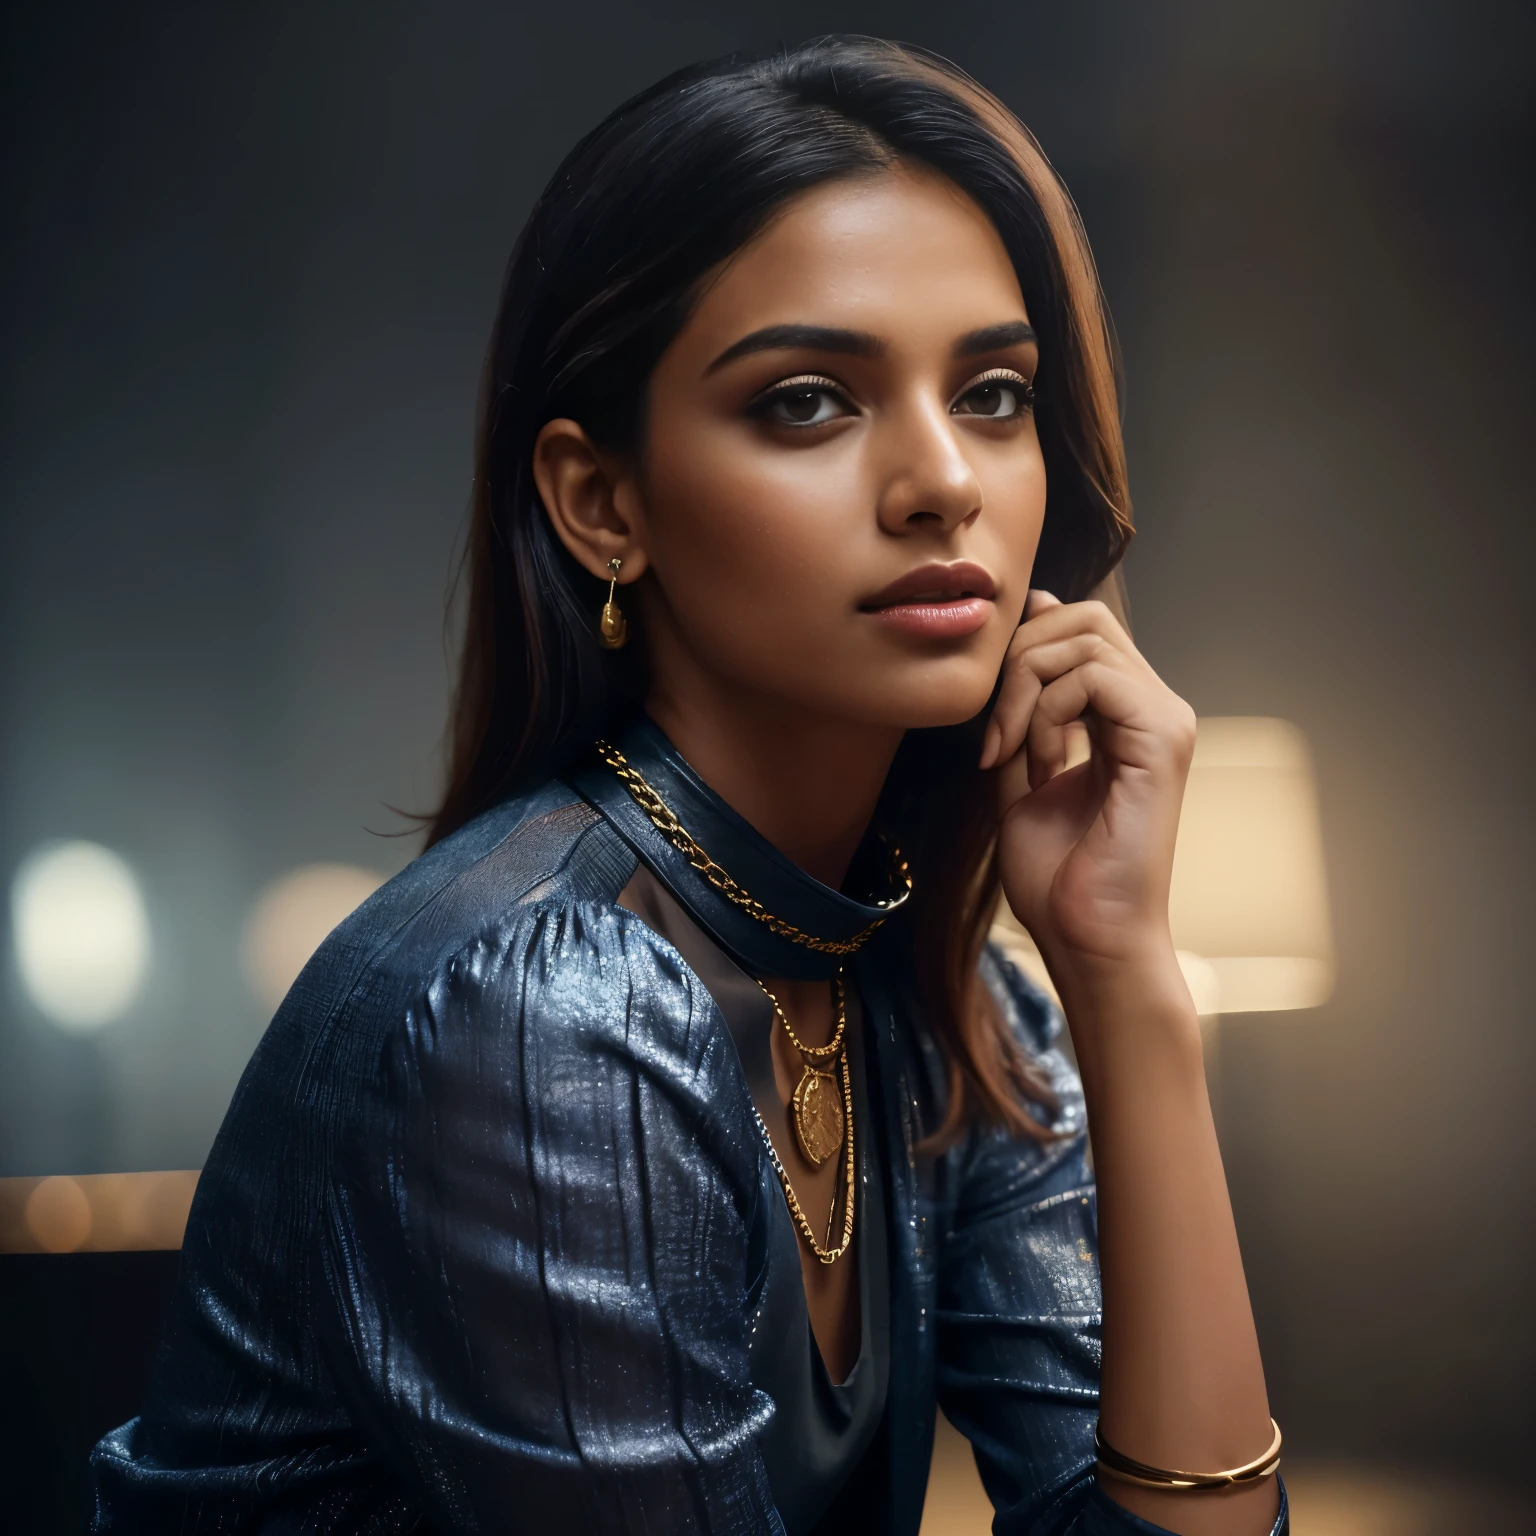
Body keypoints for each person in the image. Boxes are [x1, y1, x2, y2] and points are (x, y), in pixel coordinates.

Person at [92, 36, 1286, 1536]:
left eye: (991, 392)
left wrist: (1131, 985)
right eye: (808, 402)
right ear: (603, 504)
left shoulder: (941, 1005)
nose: (944, 482)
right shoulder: (541, 1015)